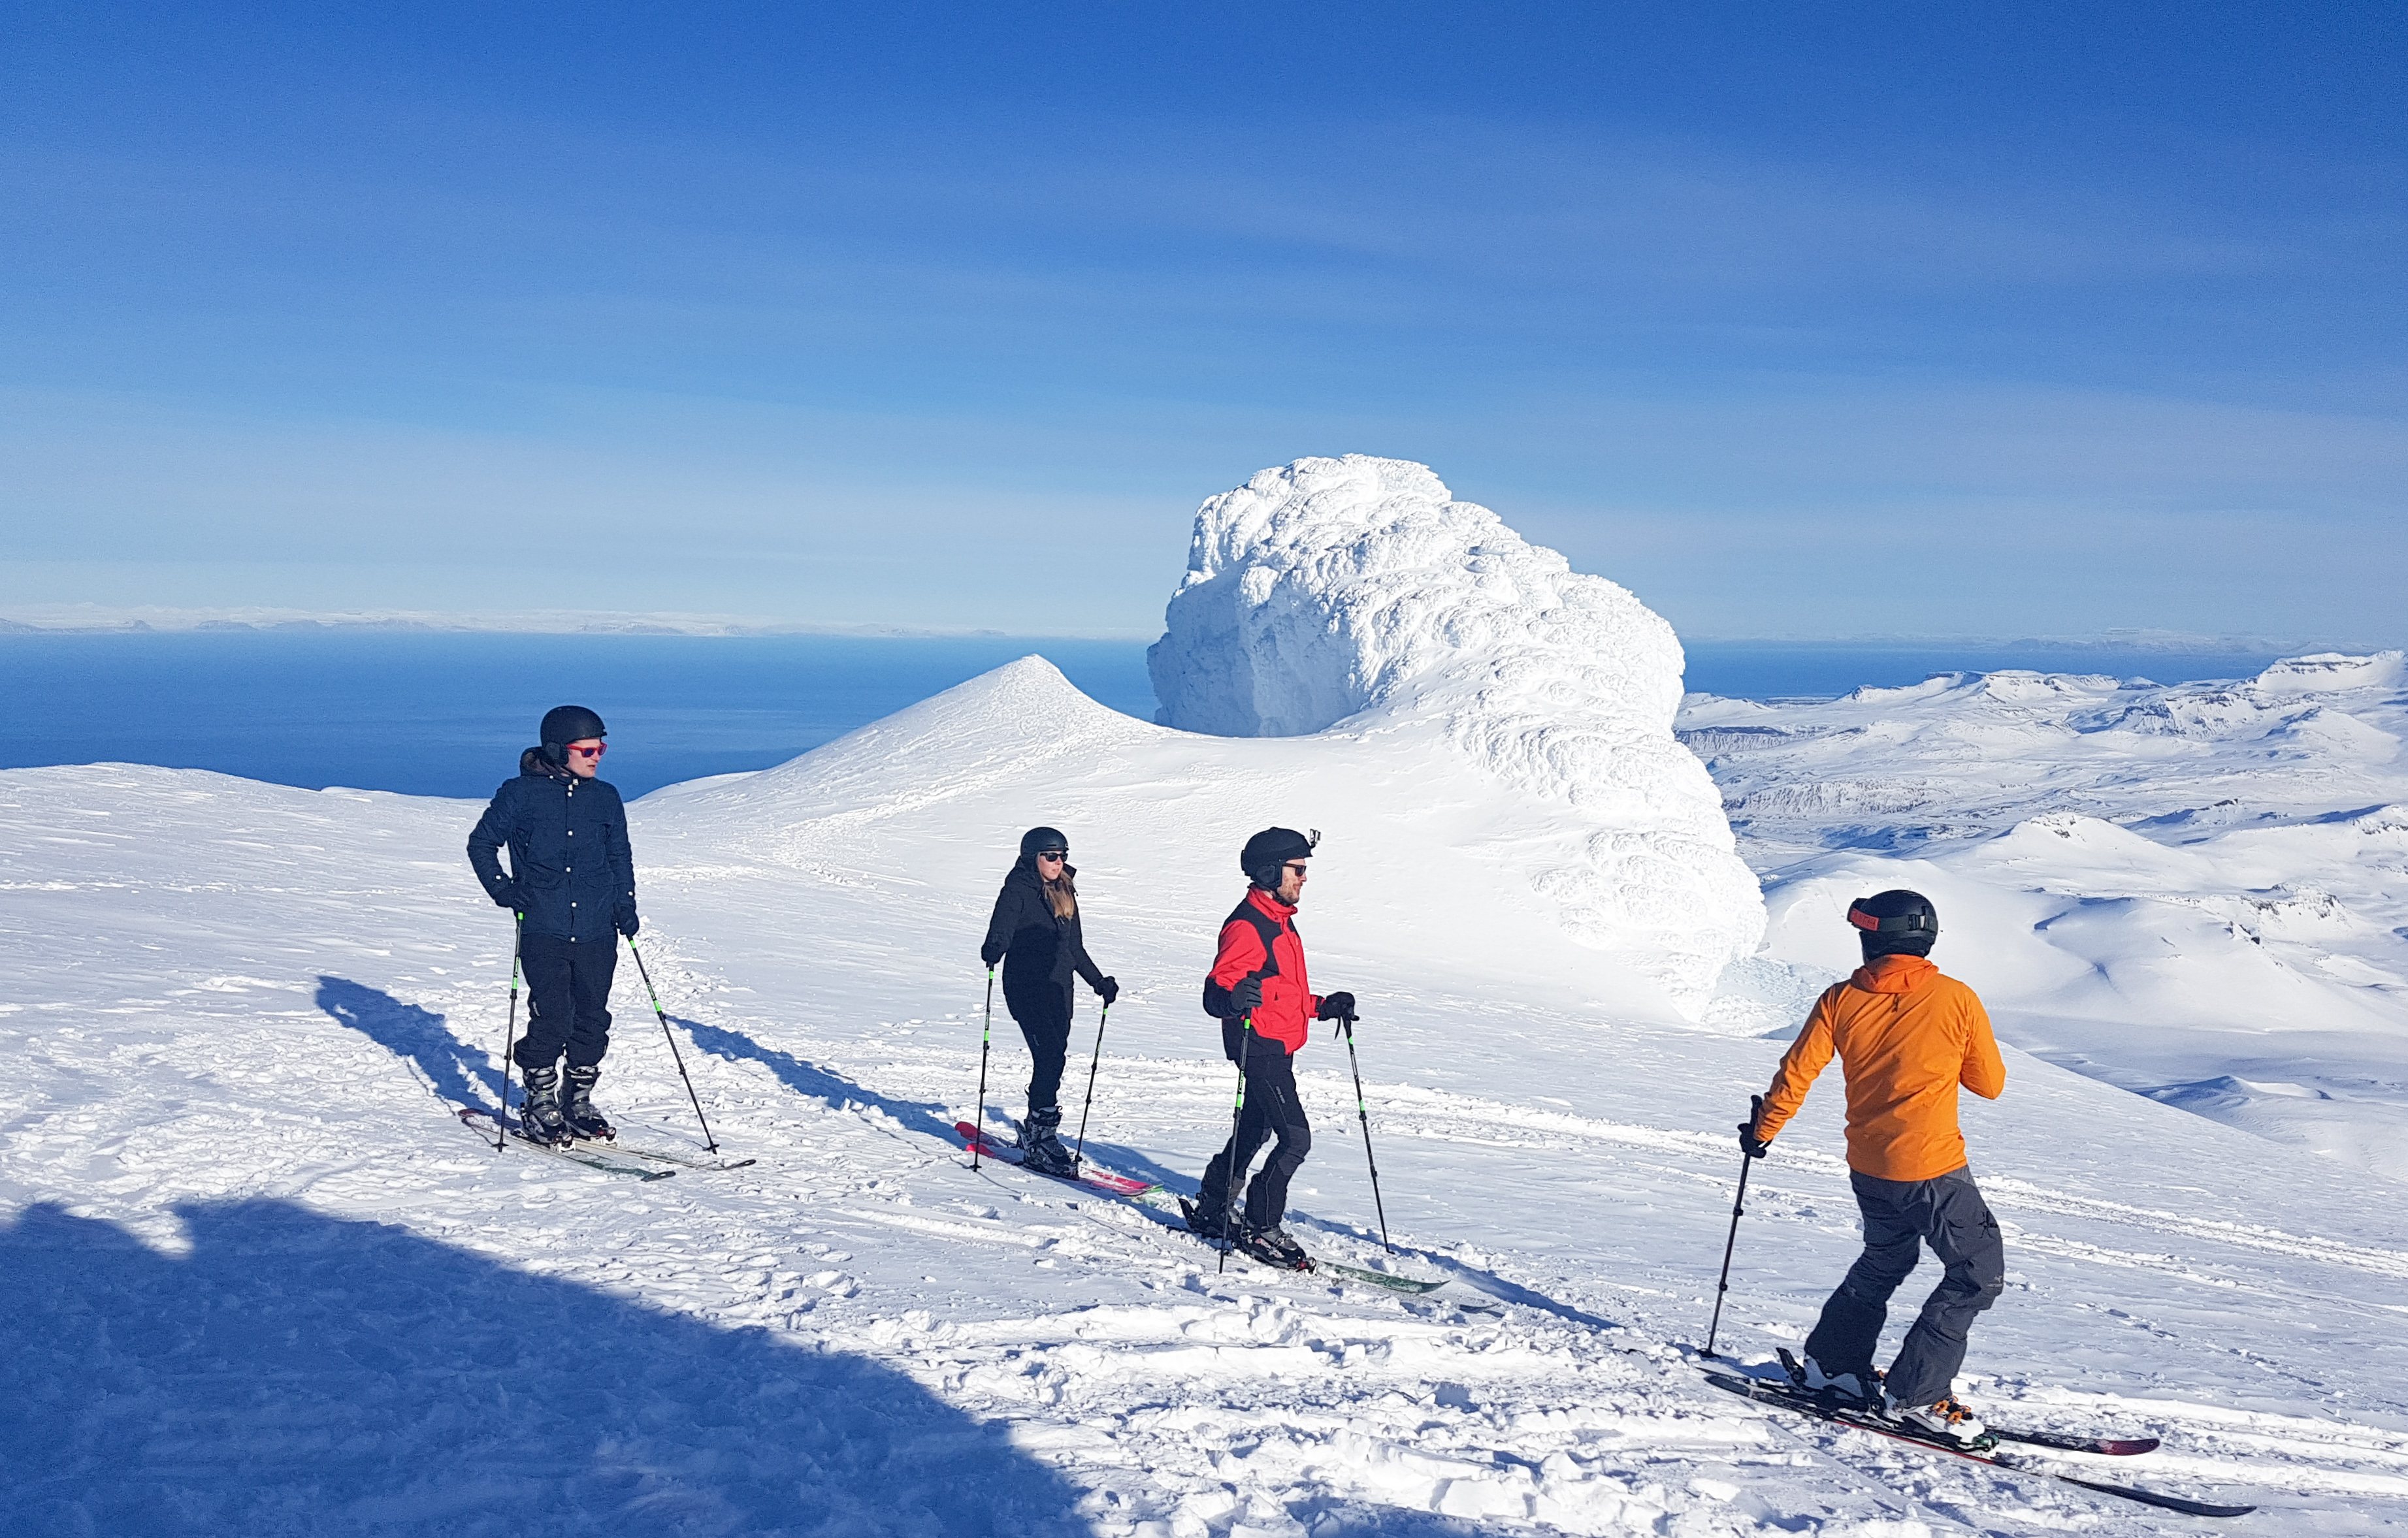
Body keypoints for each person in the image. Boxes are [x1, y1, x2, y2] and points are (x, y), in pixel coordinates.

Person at [1739, 888, 2008, 1445]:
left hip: (1871, 1168)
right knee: (1976, 1272)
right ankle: (1918, 1395)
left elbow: (1797, 1074)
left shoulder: (1839, 999)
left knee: (1885, 1258)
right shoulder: (1956, 998)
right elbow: (1990, 1084)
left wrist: (1762, 1131)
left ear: (1873, 939)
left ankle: (1833, 1367)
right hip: (1933, 1169)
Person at [466, 705, 639, 1145]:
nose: (597, 755)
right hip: (545, 925)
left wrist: (625, 903)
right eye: (588, 748)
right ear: (558, 748)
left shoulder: (605, 797)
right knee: (553, 1015)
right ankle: (539, 1101)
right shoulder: (520, 794)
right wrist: (504, 890)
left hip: (599, 927)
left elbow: (619, 855)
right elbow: (482, 843)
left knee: (593, 1017)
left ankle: (576, 1101)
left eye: (601, 747)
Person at [1186, 827, 1356, 1269]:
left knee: (1257, 1130)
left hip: (1277, 1043)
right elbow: (1214, 994)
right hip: (1258, 1046)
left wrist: (1323, 1006)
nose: (1304, 877)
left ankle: (1212, 1204)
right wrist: (1231, 999)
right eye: (1298, 869)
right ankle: (1261, 1227)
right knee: (1295, 1137)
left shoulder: (1280, 919)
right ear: (1270, 870)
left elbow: (1281, 991)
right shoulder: (1248, 925)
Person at [979, 827, 1118, 1176]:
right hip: (1027, 988)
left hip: (1059, 989)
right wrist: (995, 947)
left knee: (1055, 1058)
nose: (1058, 863)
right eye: (1051, 856)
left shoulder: (1065, 891)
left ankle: (1036, 1129)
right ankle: (1042, 1136)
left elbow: (1074, 948)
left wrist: (1098, 981)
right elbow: (1002, 928)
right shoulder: (1017, 890)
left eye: (1062, 856)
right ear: (1033, 857)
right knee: (1049, 1055)